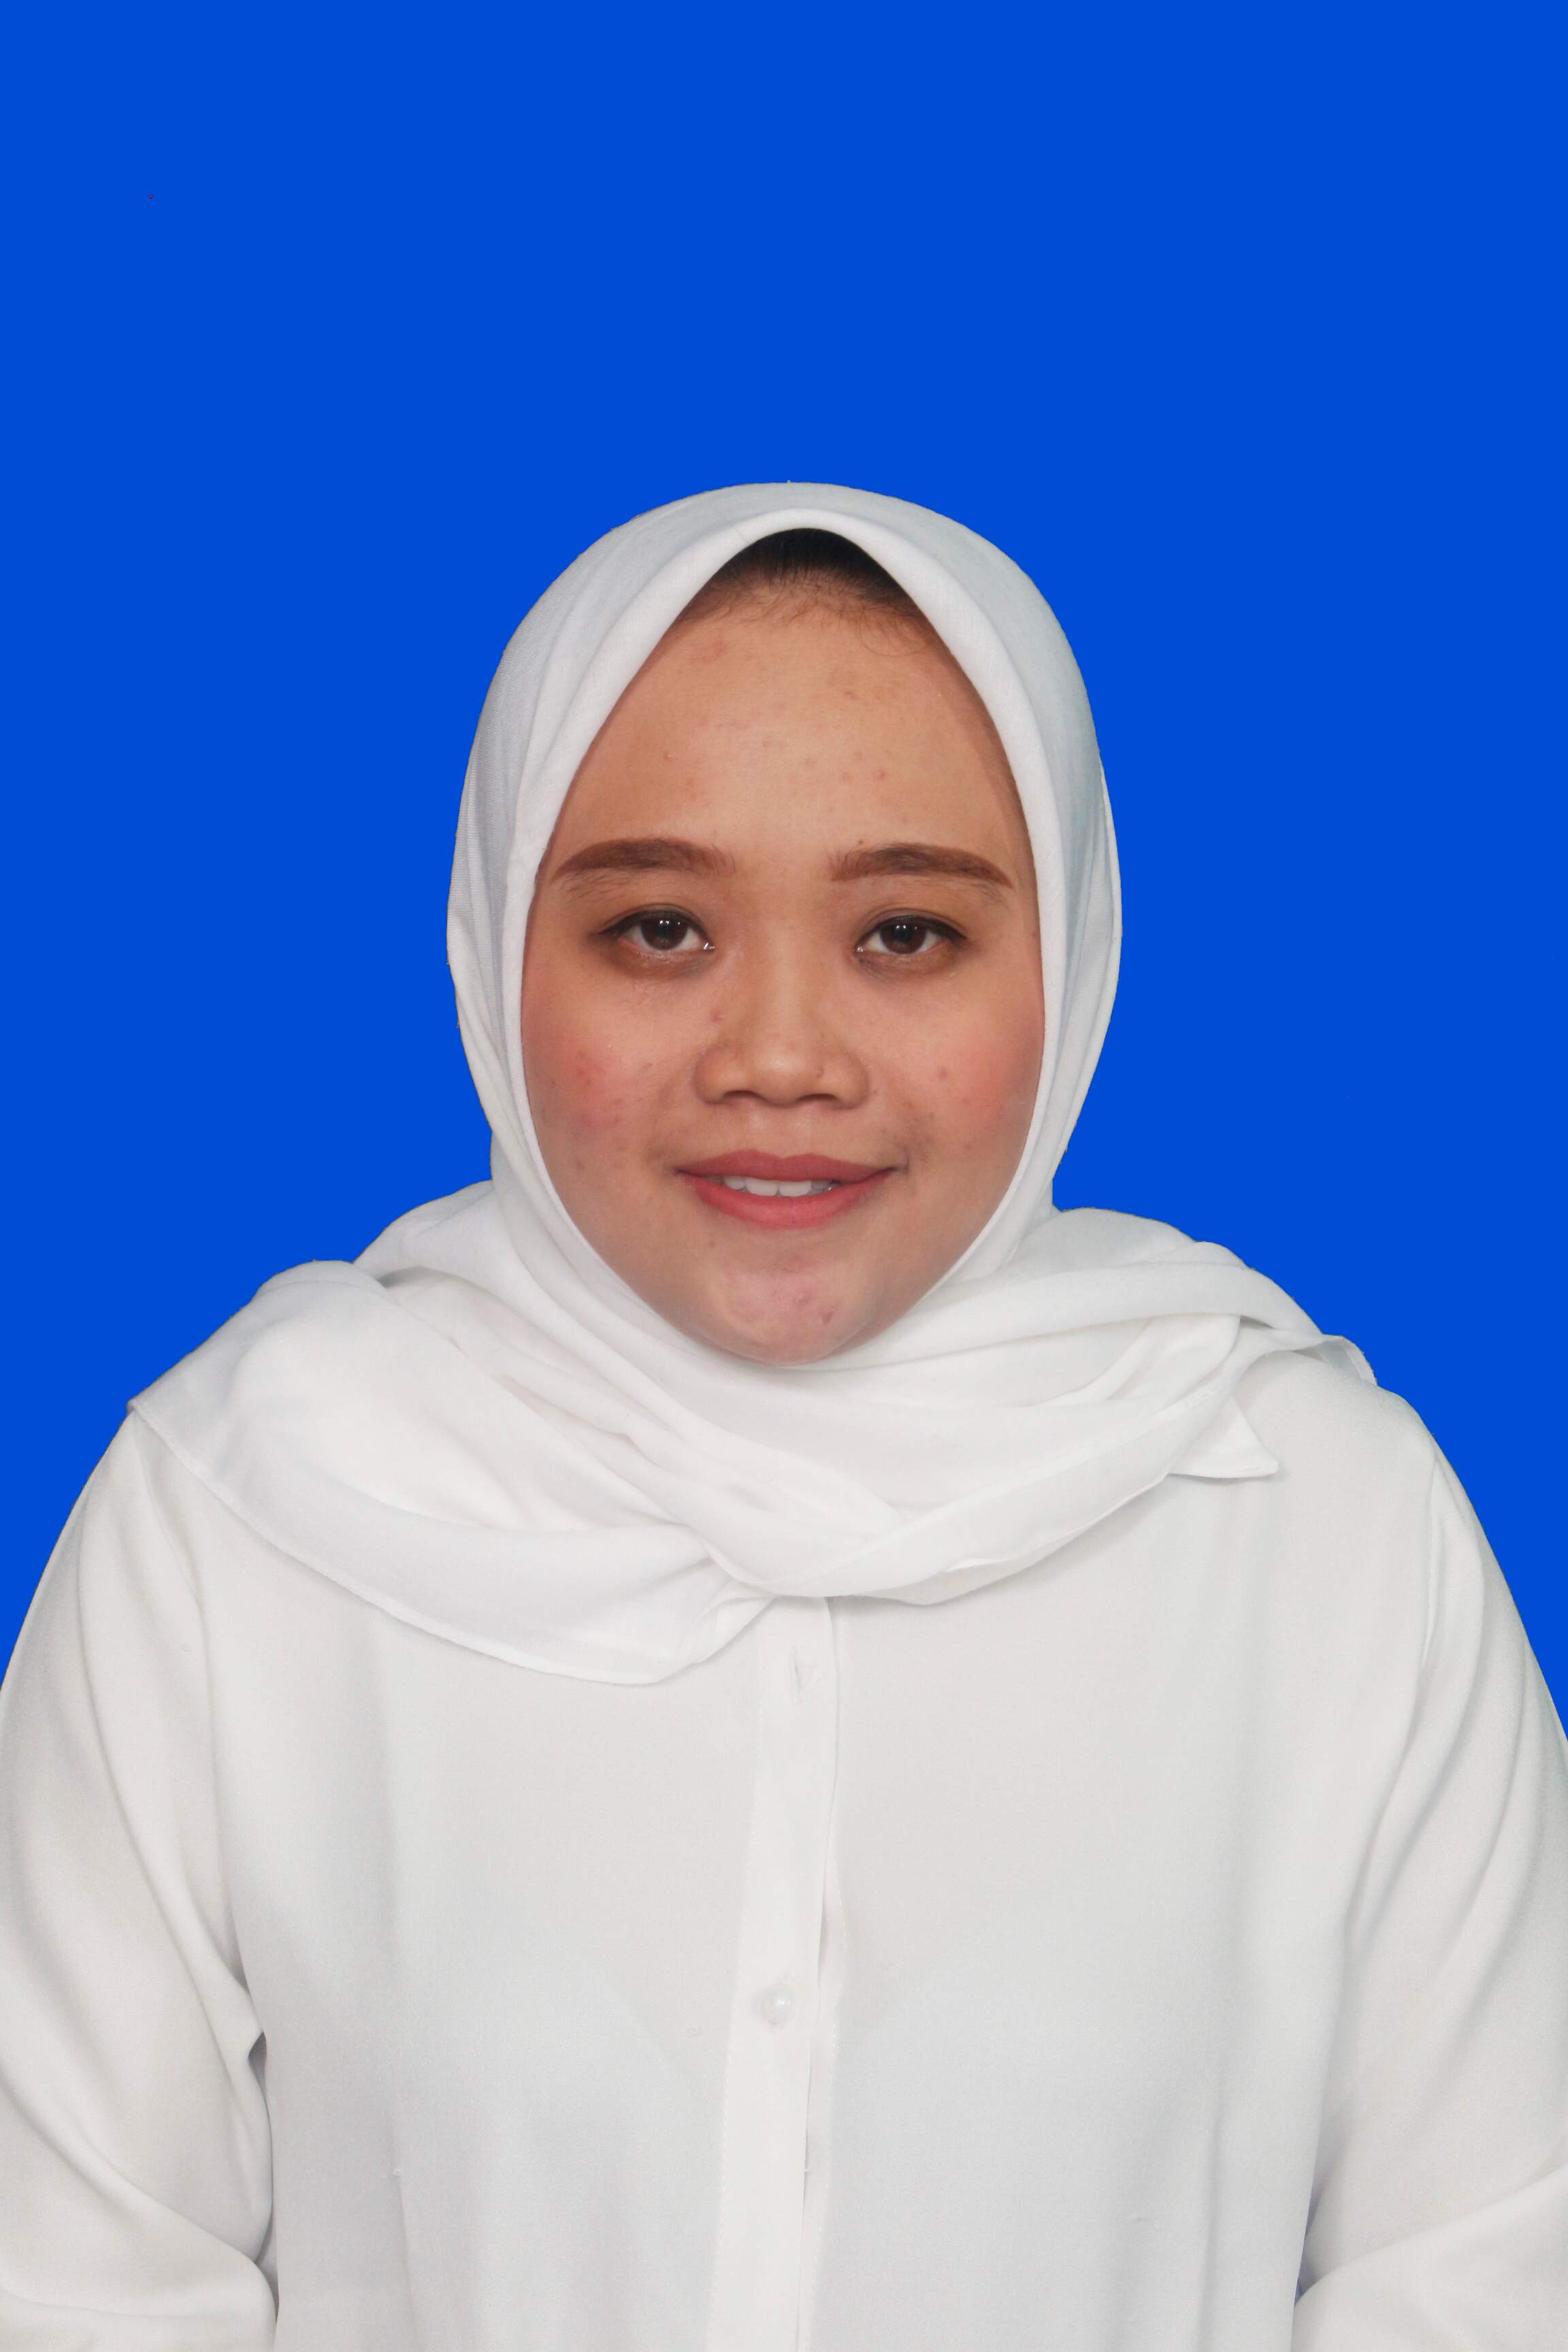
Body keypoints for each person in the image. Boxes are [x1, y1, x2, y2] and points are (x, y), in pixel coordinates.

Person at [1, 483, 1564, 2350]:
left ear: (1068, 961)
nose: (782, 1058)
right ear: (499, 951)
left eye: (905, 933)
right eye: (661, 928)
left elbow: (1492, 2277)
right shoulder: (238, 1519)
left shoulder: (1325, 1529)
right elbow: (67, 2285)